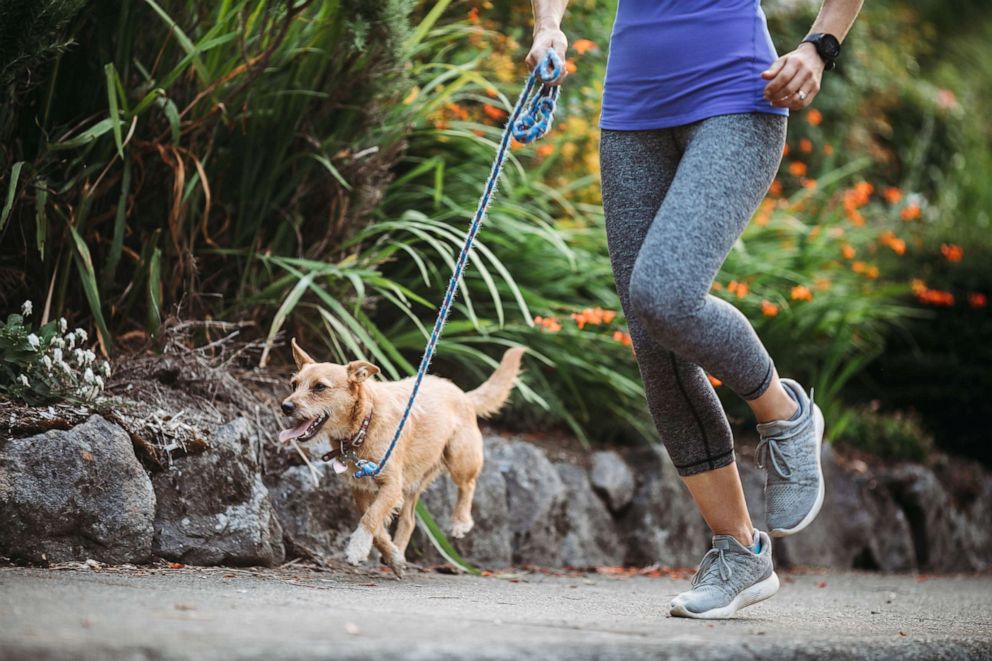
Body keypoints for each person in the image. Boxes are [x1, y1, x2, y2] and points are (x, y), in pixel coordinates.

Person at [526, 0, 864, 618]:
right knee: (655, 347)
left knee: (665, 293)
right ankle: (740, 552)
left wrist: (820, 46)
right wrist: (548, 26)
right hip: (631, 113)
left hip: (738, 97)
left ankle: (784, 413)